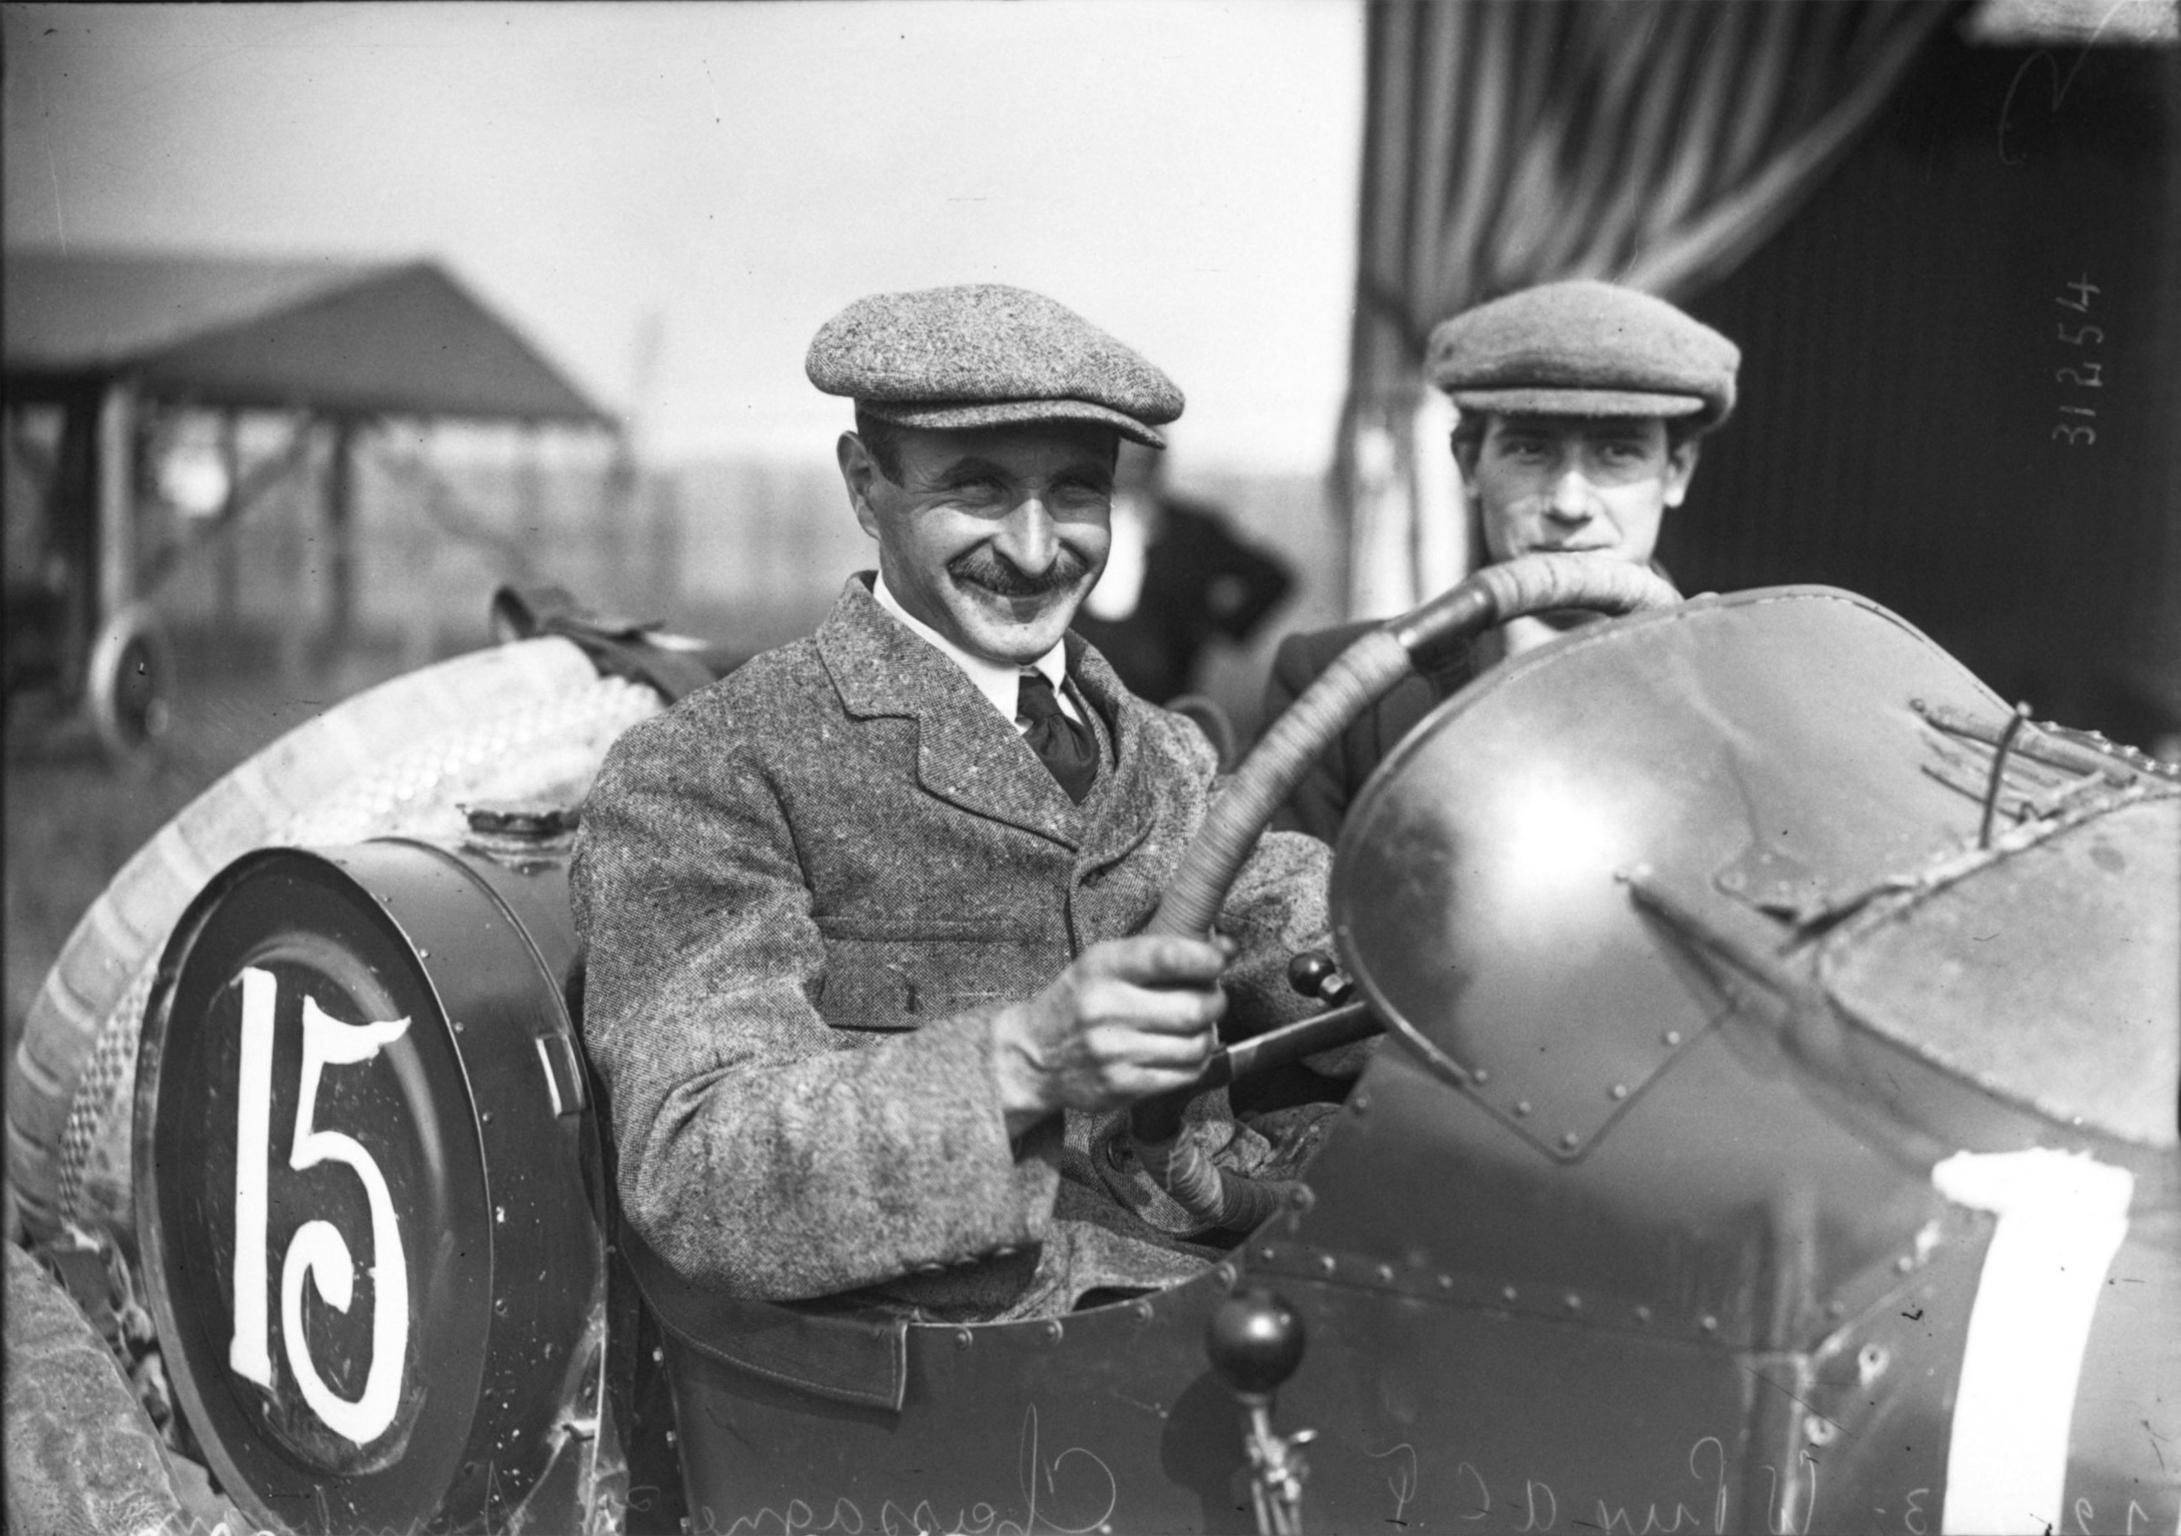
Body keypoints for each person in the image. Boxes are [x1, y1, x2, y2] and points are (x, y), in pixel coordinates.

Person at [573, 284, 1346, 1327]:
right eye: (978, 492)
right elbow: (701, 1172)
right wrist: (1025, 1060)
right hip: (963, 1408)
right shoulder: (714, 772)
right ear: (864, 486)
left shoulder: (1161, 756)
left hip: (1228, 1301)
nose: (1035, 551)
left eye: (1075, 493)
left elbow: (1334, 937)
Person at [1267, 280, 1740, 844]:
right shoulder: (1341, 687)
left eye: (1617, 452)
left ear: (1678, 470)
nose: (1569, 504)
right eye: (1529, 449)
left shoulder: (1745, 683)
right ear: (1469, 464)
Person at [1071, 440, 1293, 706]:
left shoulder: (1189, 528)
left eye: (1142, 464)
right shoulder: (1073, 521)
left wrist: (1213, 624)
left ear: (1156, 467)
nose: (1132, 473)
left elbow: (1271, 578)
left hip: (1162, 690)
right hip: (1078, 682)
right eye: (1123, 463)